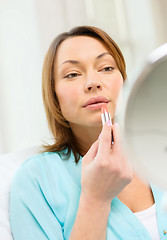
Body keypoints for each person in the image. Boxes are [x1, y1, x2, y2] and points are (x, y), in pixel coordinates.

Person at [9, 26, 167, 240]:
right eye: (72, 74)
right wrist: (96, 199)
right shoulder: (36, 180)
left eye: (106, 68)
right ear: (54, 97)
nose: (93, 83)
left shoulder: (159, 153)